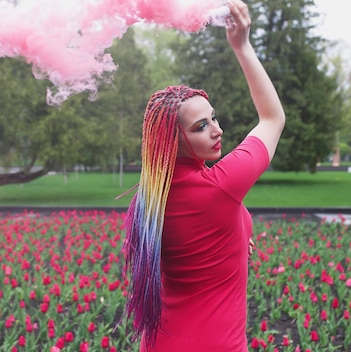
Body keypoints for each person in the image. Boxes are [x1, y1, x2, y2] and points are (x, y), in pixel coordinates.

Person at [122, 1, 285, 351]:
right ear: (174, 140)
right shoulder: (220, 186)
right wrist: (241, 46)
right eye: (201, 126)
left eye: (213, 118)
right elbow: (272, 119)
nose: (217, 130)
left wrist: (239, 238)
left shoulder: (147, 198)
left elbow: (190, 250)